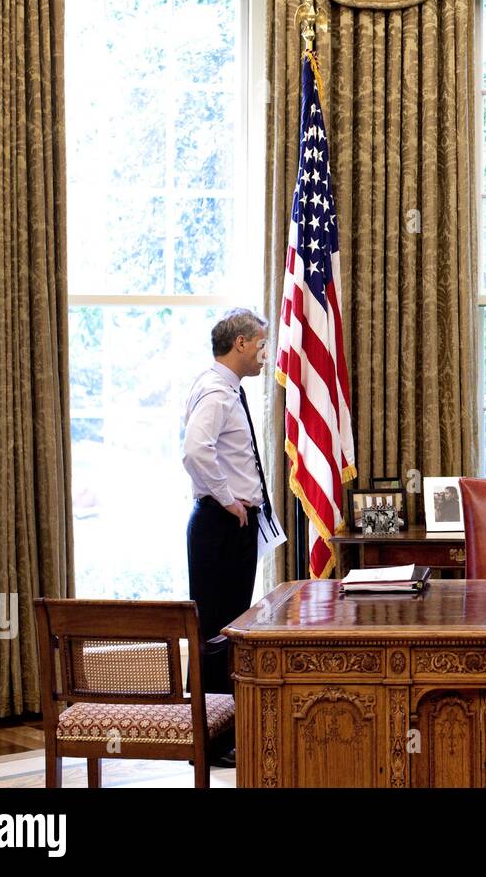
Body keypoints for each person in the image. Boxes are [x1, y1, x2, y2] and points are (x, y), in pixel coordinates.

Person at [182, 308, 272, 765]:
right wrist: (228, 500)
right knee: (219, 633)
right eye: (260, 343)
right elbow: (196, 451)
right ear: (240, 343)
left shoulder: (224, 388)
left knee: (224, 629)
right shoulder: (217, 392)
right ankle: (213, 741)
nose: (264, 353)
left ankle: (216, 730)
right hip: (221, 526)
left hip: (230, 527)